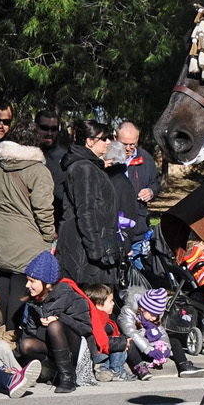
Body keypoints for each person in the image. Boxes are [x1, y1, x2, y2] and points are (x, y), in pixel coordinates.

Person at [0, 121, 55, 336]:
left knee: (2, 284)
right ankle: (11, 338)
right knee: (22, 288)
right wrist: (49, 237)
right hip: (29, 239)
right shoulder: (38, 171)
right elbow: (44, 209)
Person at [57, 119, 123, 288]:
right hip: (85, 258)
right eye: (104, 138)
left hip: (92, 254)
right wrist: (96, 252)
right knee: (88, 307)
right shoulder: (84, 169)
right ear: (90, 141)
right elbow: (85, 211)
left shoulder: (91, 167)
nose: (109, 142)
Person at [15, 251, 93, 393]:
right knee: (25, 345)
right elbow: (30, 333)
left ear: (48, 284)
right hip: (52, 348)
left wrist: (60, 318)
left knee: (54, 326)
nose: (27, 285)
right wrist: (13, 361)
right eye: (27, 280)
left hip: (75, 350)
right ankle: (52, 369)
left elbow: (86, 329)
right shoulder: (33, 300)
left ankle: (68, 378)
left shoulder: (71, 297)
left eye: (32, 281)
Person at [118, 286, 172, 380]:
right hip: (139, 347)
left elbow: (162, 332)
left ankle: (184, 364)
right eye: (152, 314)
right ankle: (139, 367)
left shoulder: (152, 317)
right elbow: (131, 332)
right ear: (143, 308)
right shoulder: (128, 311)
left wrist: (166, 346)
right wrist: (148, 349)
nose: (154, 318)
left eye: (157, 315)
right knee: (128, 341)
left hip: (149, 346)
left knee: (174, 340)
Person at [83, 283, 131, 381]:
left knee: (119, 344)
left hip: (97, 353)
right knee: (119, 347)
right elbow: (101, 339)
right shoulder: (100, 317)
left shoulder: (98, 315)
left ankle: (103, 369)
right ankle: (117, 371)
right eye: (110, 301)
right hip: (96, 353)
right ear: (99, 305)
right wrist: (123, 342)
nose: (113, 304)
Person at [116, 123, 162, 208]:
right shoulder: (107, 159)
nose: (128, 148)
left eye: (132, 144)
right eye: (124, 144)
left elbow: (155, 182)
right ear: (116, 138)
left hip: (138, 215)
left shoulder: (146, 159)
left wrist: (150, 191)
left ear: (137, 139)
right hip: (113, 215)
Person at [35, 111, 68, 226]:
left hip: (56, 223)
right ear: (35, 127)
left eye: (53, 129)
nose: (49, 133)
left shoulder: (65, 156)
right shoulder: (24, 153)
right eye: (44, 128)